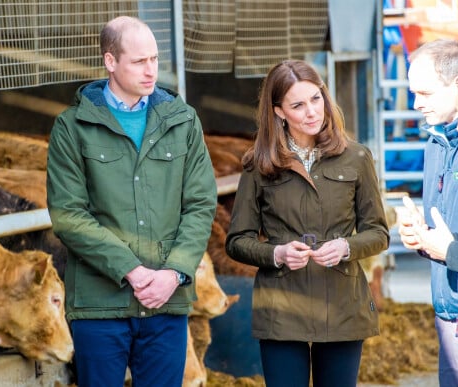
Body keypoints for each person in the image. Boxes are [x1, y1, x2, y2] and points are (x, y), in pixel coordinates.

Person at [46, 16, 217, 387]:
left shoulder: (183, 121)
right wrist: (133, 271)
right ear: (110, 61)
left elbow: (201, 204)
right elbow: (69, 215)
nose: (151, 70)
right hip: (99, 305)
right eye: (139, 61)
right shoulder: (72, 127)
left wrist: (173, 273)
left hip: (166, 301)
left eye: (154, 59)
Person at [224, 59, 389, 387]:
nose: (312, 111)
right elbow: (237, 240)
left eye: (316, 99)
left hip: (342, 302)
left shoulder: (356, 157)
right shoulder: (259, 164)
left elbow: (378, 232)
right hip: (282, 305)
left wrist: (346, 246)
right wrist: (277, 254)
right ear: (279, 112)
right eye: (298, 105)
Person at [398, 39, 458, 386]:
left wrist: (451, 252)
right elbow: (442, 230)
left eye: (425, 93)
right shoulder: (435, 145)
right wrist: (419, 236)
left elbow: (453, 246)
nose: (416, 104)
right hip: (449, 314)